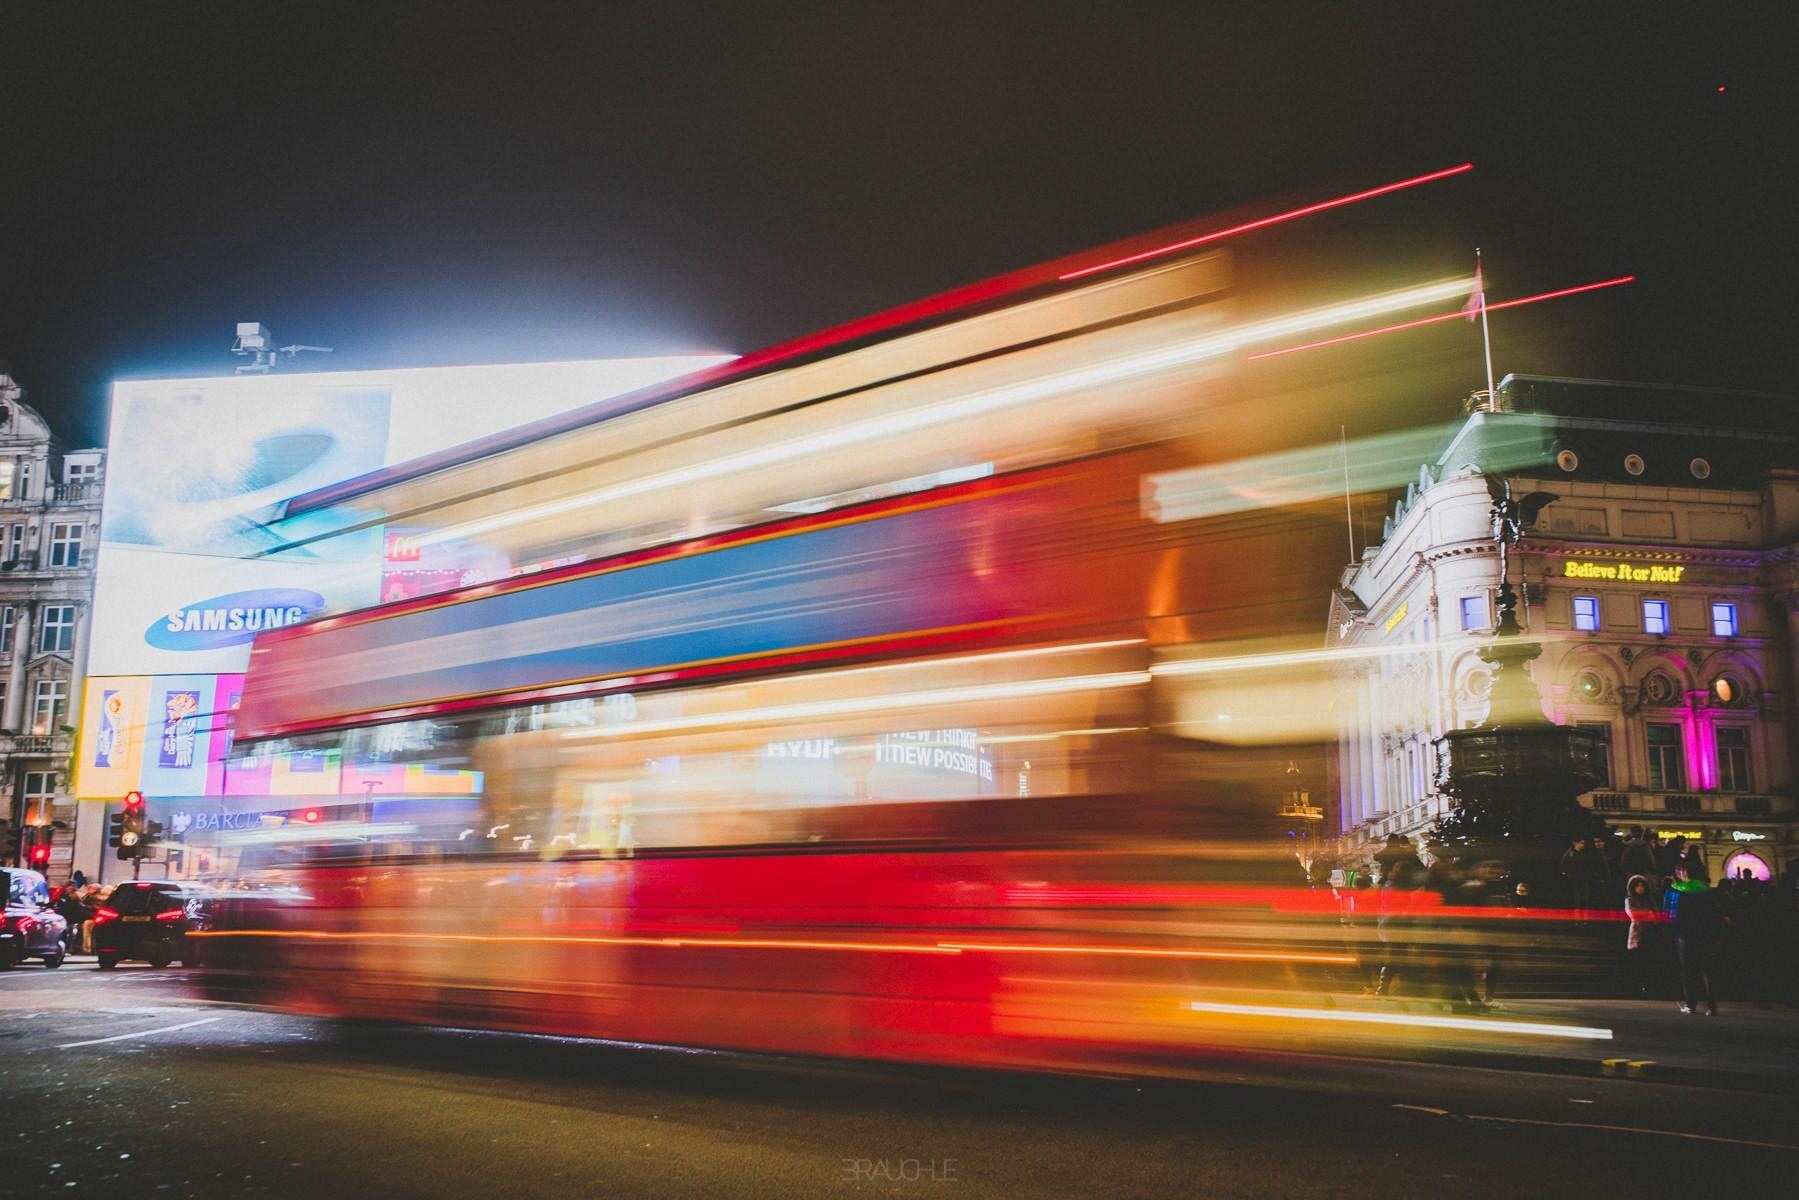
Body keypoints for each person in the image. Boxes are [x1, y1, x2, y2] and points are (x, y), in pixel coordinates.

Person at [1666, 856, 1719, 1015]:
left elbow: (1670, 913)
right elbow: (1715, 912)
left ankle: (1691, 1003)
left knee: (1688, 970)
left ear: (1681, 872)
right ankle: (1711, 1005)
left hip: (1685, 935)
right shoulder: (1706, 889)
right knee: (1707, 969)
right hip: (1705, 933)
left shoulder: (1676, 889)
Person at [1624, 873, 1662, 998]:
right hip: (1637, 933)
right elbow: (1634, 915)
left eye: (1642, 886)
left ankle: (1648, 987)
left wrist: (1649, 915)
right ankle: (1636, 987)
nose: (1640, 888)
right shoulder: (1629, 900)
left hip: (1649, 934)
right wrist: (1648, 914)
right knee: (1636, 962)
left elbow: (1656, 916)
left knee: (1648, 962)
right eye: (1637, 886)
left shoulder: (1650, 900)